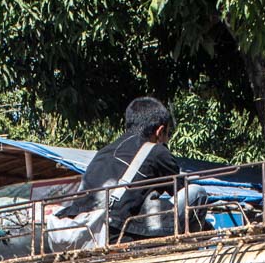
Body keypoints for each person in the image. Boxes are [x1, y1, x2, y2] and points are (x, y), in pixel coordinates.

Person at [58, 97, 185, 241]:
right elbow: (180, 190)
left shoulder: (103, 152)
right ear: (159, 131)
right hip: (117, 231)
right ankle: (192, 246)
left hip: (81, 228)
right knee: (195, 193)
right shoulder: (157, 151)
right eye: (167, 134)